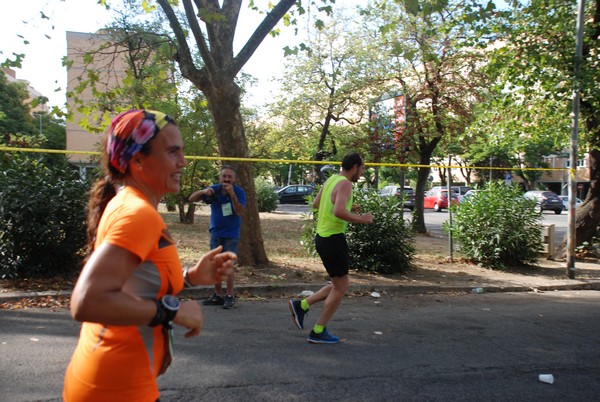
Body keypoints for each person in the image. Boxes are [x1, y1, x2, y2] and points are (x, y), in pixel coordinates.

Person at [63, 109, 236, 402]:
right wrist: (174, 312)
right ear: (138, 159)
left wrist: (190, 277)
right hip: (114, 390)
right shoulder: (138, 214)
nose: (183, 161)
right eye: (172, 152)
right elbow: (87, 301)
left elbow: (133, 285)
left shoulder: (127, 204)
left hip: (113, 383)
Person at [288, 152, 373, 344]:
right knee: (341, 287)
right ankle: (318, 331)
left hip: (322, 238)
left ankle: (301, 305)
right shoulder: (345, 183)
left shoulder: (332, 180)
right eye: (362, 168)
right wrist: (363, 219)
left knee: (338, 284)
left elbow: (317, 204)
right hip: (333, 239)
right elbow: (338, 211)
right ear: (354, 167)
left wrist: (351, 204)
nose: (362, 172)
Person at [189, 165, 246, 309]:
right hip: (216, 234)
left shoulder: (239, 192)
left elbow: (239, 211)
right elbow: (191, 199)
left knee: (228, 266)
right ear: (220, 178)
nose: (226, 179)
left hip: (231, 235)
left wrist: (232, 195)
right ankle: (218, 294)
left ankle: (230, 295)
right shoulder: (215, 189)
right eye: (224, 176)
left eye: (229, 177)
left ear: (234, 179)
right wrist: (203, 191)